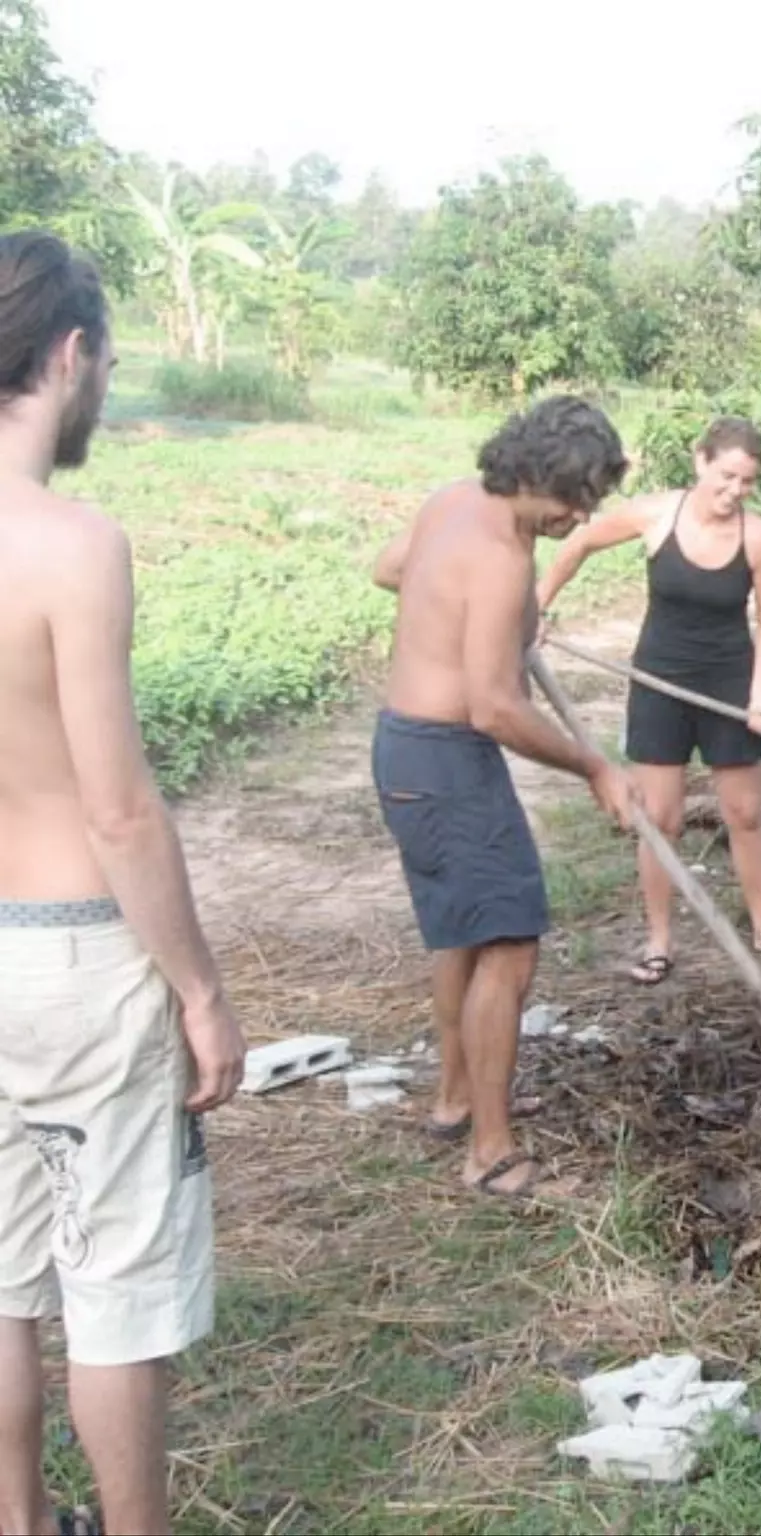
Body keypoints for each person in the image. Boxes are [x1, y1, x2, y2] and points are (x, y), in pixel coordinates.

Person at [0, 229, 247, 1536]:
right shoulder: (70, 545)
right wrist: (200, 989)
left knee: (0, 1276)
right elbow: (116, 806)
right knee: (115, 1285)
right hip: (75, 962)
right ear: (70, 352)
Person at [369, 395, 640, 1201]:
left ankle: (457, 1098)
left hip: (406, 751)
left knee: (464, 935)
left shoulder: (454, 500)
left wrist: (506, 622)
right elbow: (495, 707)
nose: (577, 517)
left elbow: (390, 569)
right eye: (570, 498)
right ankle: (490, 1153)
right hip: (448, 760)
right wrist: (595, 765)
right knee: (510, 943)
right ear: (530, 473)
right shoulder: (499, 557)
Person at [535, 414, 761, 984]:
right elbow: (582, 539)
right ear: (700, 461)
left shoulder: (760, 539)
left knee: (745, 812)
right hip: (659, 683)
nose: (735, 491)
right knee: (659, 819)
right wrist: (536, 604)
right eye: (727, 476)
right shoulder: (658, 515)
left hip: (729, 686)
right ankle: (659, 940)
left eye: (747, 482)